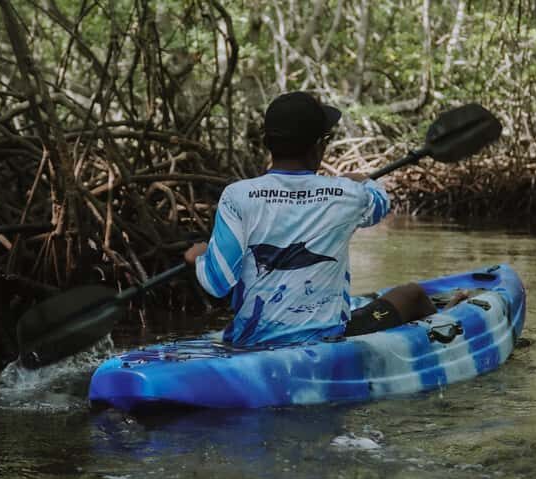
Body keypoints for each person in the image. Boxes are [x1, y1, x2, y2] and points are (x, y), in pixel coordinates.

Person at [184, 91, 436, 347]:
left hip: (249, 340)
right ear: (318, 146)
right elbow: (380, 203)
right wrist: (362, 180)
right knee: (412, 294)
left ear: (267, 143)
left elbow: (217, 284)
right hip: (325, 341)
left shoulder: (236, 196)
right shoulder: (349, 195)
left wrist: (201, 257)